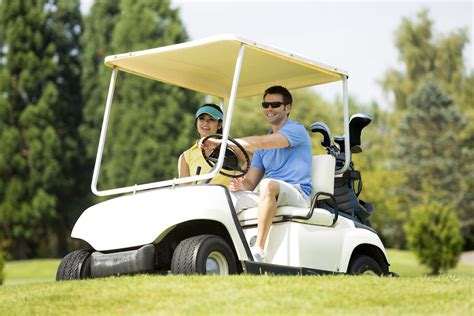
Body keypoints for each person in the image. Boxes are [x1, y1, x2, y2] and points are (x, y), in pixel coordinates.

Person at [201, 86, 312, 262]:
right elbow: (250, 183)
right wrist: (240, 185)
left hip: (298, 193)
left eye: (275, 104)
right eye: (265, 104)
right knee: (226, 198)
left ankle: (258, 250)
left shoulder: (296, 130)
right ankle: (218, 251)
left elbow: (260, 142)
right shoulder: (263, 147)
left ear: (287, 108)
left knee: (268, 184)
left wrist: (223, 143)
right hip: (267, 194)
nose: (269, 109)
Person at [178, 103, 233, 186]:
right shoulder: (185, 156)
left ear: (219, 125)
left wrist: (243, 181)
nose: (205, 122)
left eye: (211, 119)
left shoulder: (231, 148)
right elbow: (185, 189)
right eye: (201, 118)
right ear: (196, 123)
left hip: (227, 197)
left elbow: (252, 160)